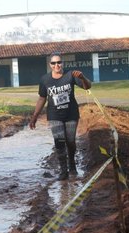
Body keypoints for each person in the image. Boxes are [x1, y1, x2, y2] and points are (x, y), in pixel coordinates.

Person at [29, 52, 92, 180]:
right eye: (53, 63)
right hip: (54, 115)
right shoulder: (45, 80)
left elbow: (88, 87)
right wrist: (34, 116)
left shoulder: (71, 75)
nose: (56, 65)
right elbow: (42, 98)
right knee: (59, 142)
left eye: (59, 62)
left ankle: (72, 164)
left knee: (70, 142)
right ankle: (64, 171)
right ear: (50, 65)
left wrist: (83, 77)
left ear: (62, 63)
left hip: (71, 114)